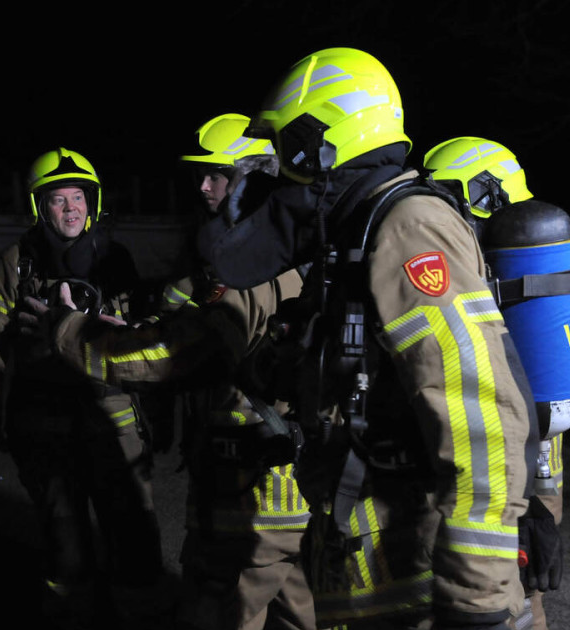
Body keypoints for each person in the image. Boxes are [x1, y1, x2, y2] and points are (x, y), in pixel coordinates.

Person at [32, 48, 533, 630]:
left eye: (284, 153)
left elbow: (481, 412)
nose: (277, 177)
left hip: (409, 582)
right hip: (363, 567)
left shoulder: (407, 227)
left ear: (316, 142)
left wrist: (479, 604)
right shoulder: (353, 239)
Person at [0, 148, 164, 626]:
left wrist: (161, 415)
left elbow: (151, 341)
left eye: (78, 196)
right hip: (44, 431)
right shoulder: (14, 265)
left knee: (134, 535)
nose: (71, 208)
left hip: (112, 422)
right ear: (40, 207)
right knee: (64, 543)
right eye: (59, 199)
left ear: (92, 203)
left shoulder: (115, 261)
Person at [160, 114, 315, 630]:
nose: (203, 187)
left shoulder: (247, 266)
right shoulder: (284, 252)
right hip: (282, 494)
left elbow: (181, 353)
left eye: (217, 175)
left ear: (251, 179)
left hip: (249, 498)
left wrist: (74, 334)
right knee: (300, 610)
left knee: (221, 613)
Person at [425, 137, 570, 630]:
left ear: (482, 195)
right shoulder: (508, 261)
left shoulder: (501, 267)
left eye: (448, 197)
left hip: (525, 463)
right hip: (529, 456)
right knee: (518, 594)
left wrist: (534, 500)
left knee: (516, 595)